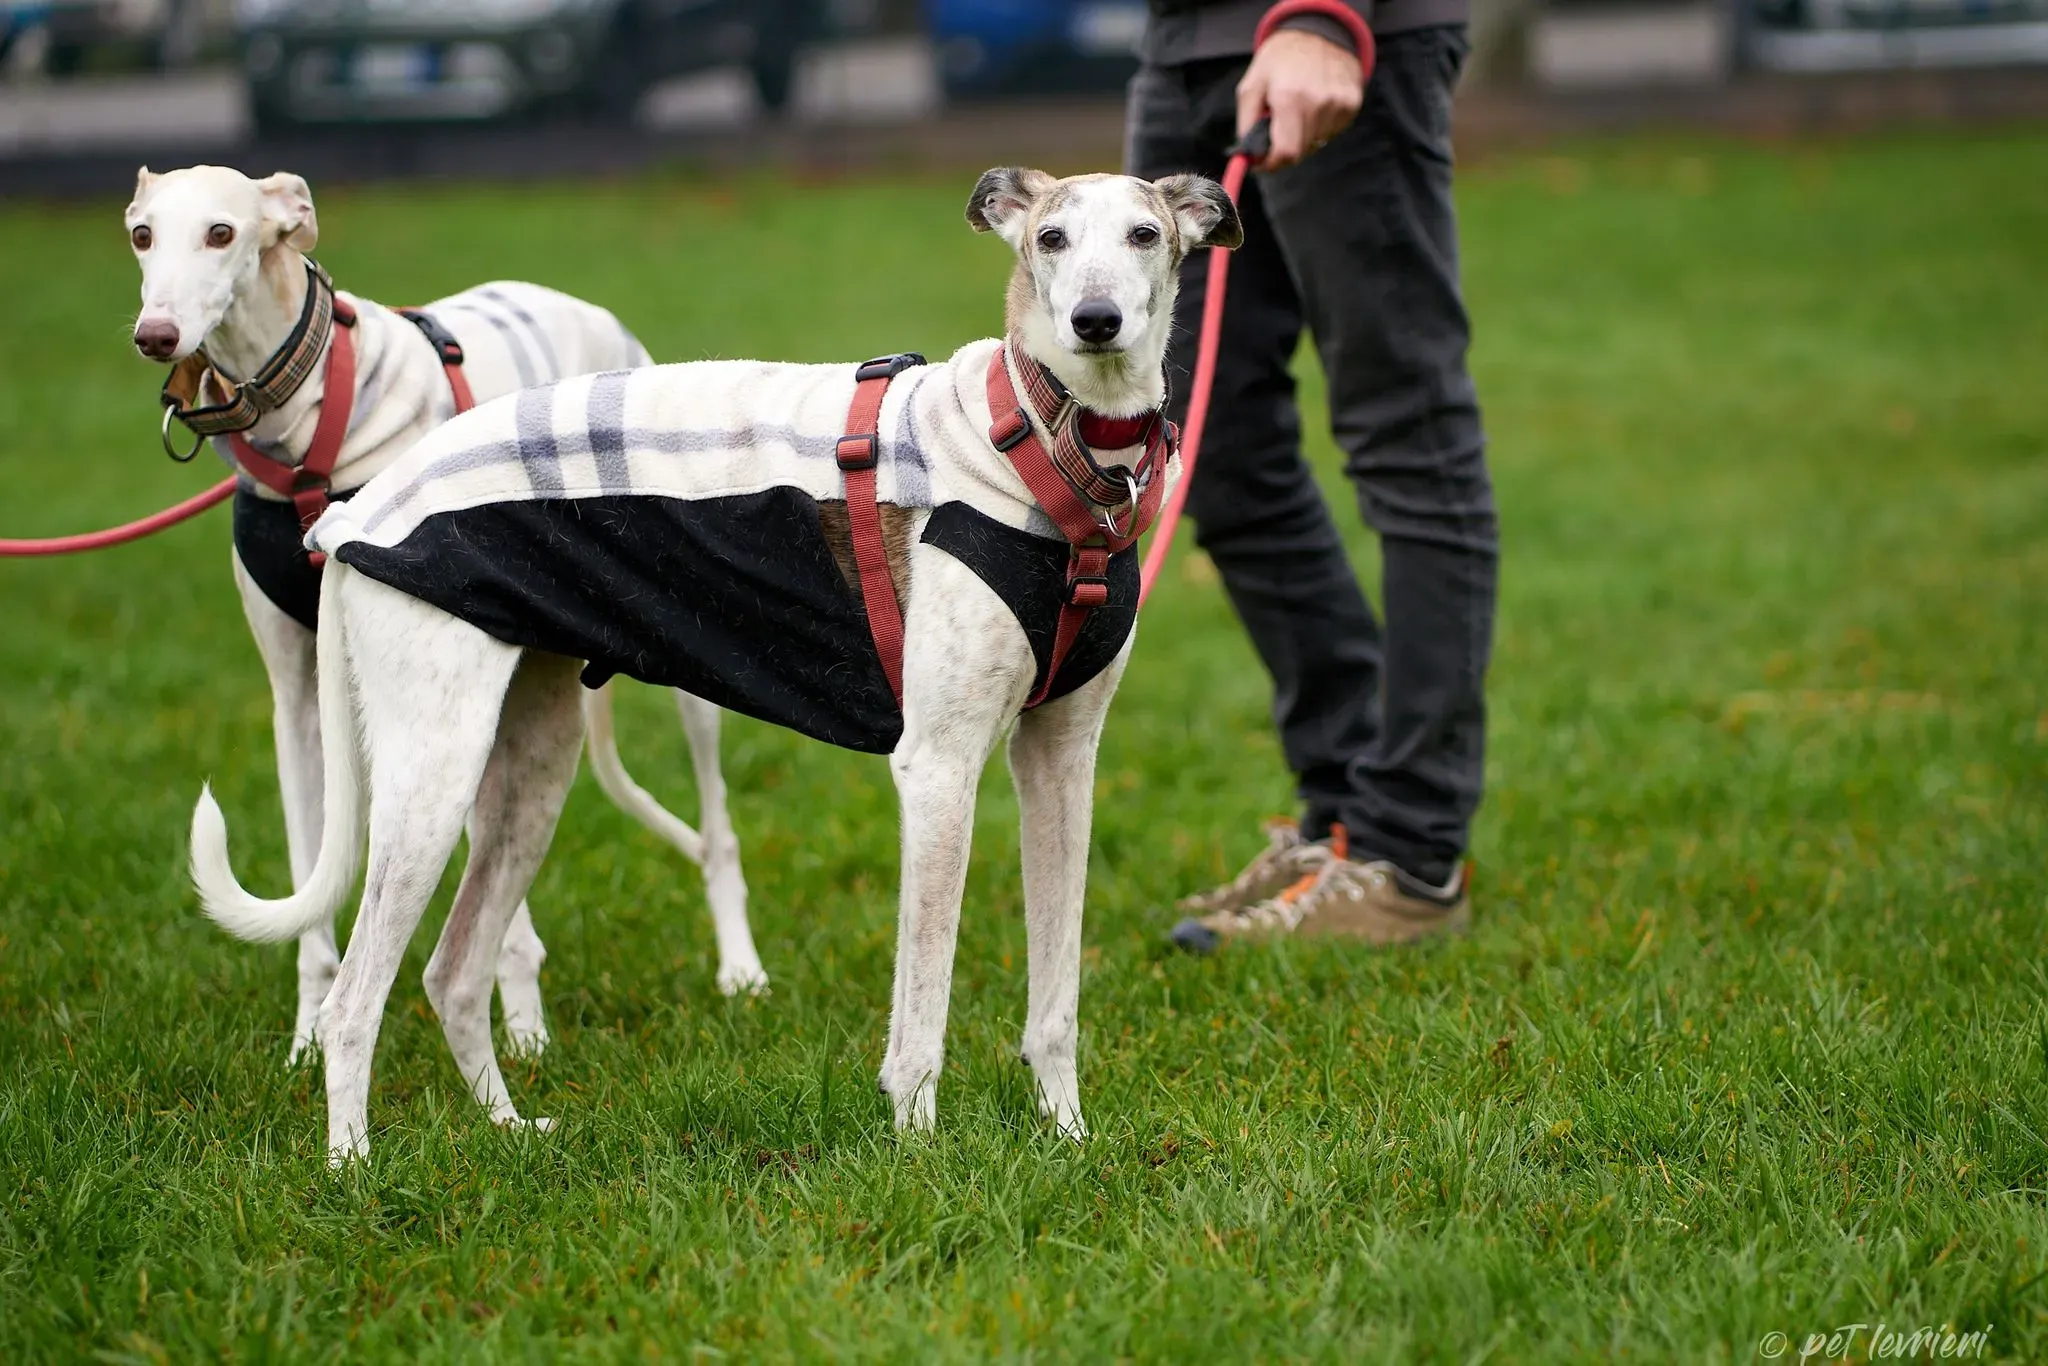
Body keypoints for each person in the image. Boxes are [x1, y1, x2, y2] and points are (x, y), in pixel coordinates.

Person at [1126, 0, 1498, 951]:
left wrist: (1325, 16)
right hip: (1189, 44)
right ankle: (1343, 810)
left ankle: (1411, 858)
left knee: (1403, 425)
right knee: (1209, 437)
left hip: (1325, 39)